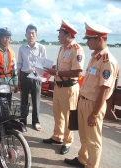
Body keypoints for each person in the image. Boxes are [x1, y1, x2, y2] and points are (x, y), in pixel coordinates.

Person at [64, 23, 119, 168]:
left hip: (93, 104)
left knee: (93, 140)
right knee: (84, 135)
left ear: (99, 39)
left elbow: (104, 91)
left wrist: (94, 114)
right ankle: (82, 159)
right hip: (83, 101)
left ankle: (91, 165)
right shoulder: (95, 57)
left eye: (89, 39)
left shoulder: (108, 61)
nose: (87, 42)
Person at [43, 20, 85, 155]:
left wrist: (56, 72)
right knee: (58, 114)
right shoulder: (62, 48)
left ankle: (67, 142)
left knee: (68, 116)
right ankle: (57, 136)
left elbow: (78, 72)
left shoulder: (77, 50)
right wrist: (54, 69)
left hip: (69, 88)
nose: (58, 36)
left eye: (60, 33)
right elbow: (63, 67)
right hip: (59, 86)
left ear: (68, 35)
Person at [17, 24, 46, 131]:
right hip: (24, 75)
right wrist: (19, 79)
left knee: (36, 100)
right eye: (29, 33)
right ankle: (22, 120)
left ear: (36, 35)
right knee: (23, 100)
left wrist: (40, 74)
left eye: (33, 33)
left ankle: (36, 121)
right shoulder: (22, 48)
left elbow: (44, 64)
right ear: (25, 35)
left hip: (36, 76)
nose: (31, 35)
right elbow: (19, 64)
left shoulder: (41, 48)